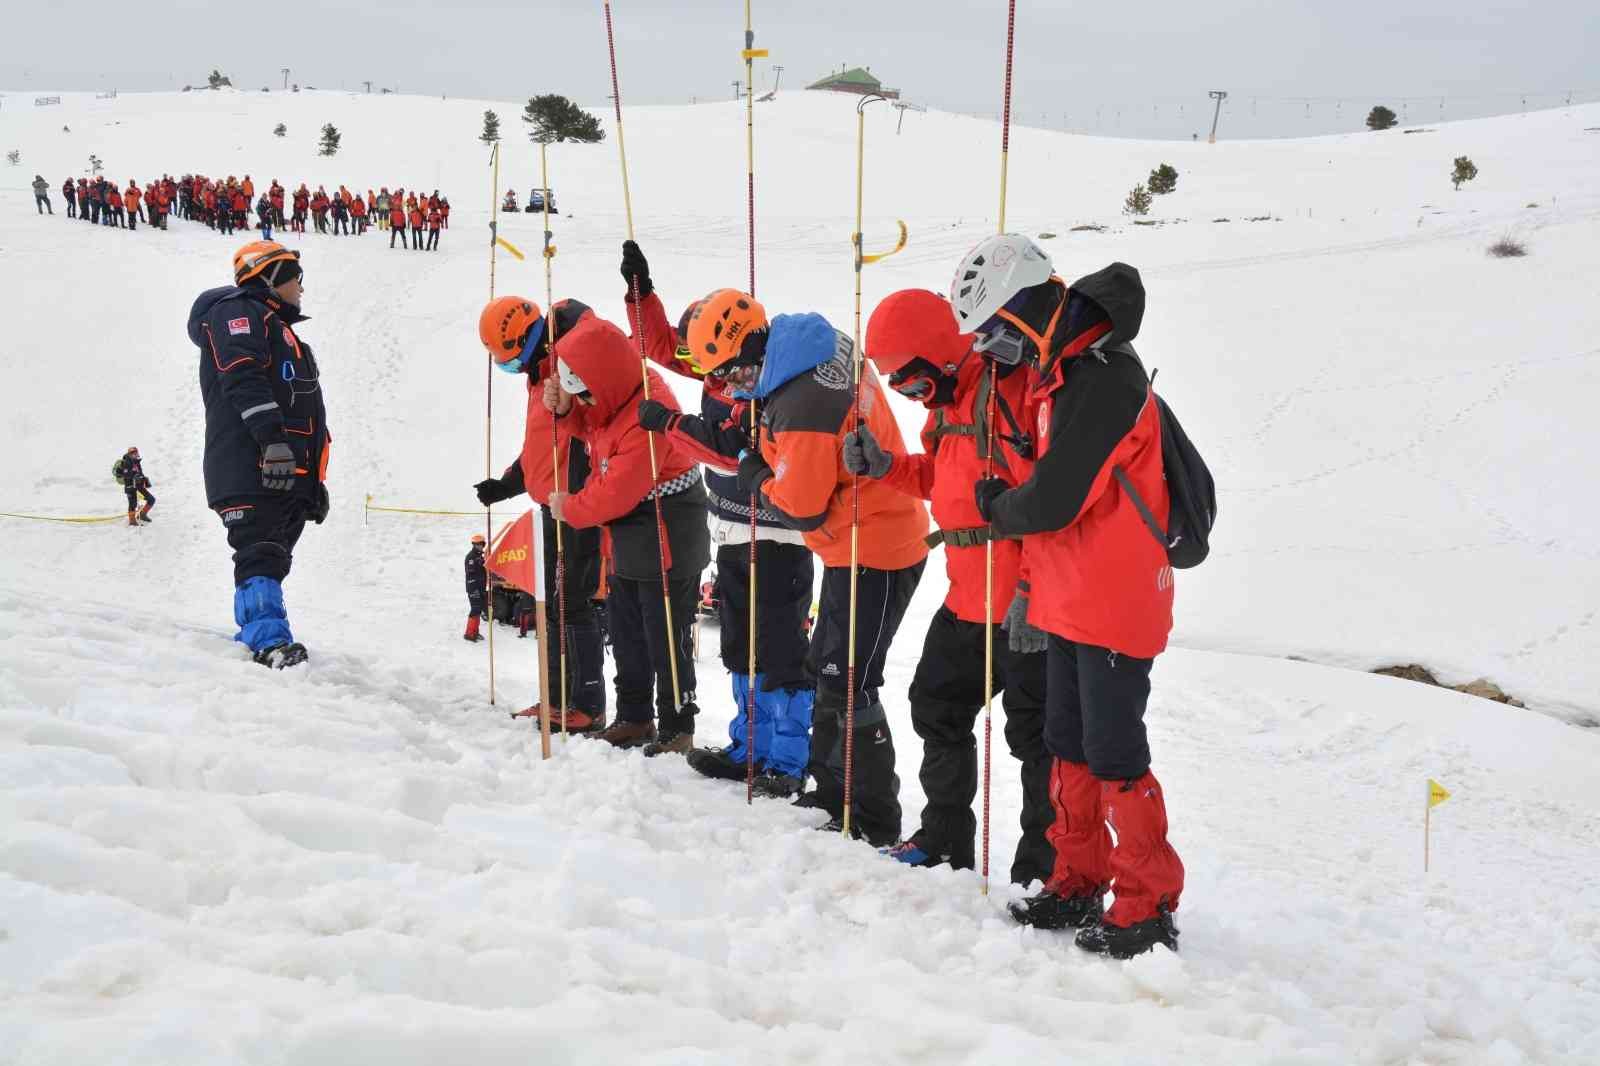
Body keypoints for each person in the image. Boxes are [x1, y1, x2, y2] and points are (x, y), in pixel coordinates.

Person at [956, 234, 1184, 958]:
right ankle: (1077, 879)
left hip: (1114, 600)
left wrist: (997, 507)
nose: (993, 347)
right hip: (1069, 596)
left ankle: (1146, 903)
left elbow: (1058, 499)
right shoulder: (1063, 373)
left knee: (1114, 751)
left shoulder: (1105, 374)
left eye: (994, 329)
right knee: (1066, 743)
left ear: (1021, 310)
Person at [684, 289, 929, 846]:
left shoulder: (801, 407)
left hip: (877, 544)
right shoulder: (805, 347)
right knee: (827, 668)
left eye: (730, 376)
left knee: (848, 680)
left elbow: (801, 504)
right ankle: (832, 789)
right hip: (859, 539)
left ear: (748, 351)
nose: (730, 390)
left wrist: (754, 473)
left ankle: (871, 814)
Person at [844, 288, 1053, 885]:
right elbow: (940, 479)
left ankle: (1045, 869)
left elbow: (1047, 506)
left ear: (939, 352)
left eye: (911, 380)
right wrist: (888, 467)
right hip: (967, 600)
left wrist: (1033, 595)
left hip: (1025, 607)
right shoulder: (945, 409)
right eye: (899, 387)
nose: (911, 396)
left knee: (1036, 738)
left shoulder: (1010, 396)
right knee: (936, 707)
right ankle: (944, 838)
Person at [621, 242, 815, 795]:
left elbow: (730, 450)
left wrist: (669, 423)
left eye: (720, 370)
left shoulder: (767, 382)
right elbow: (658, 346)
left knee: (780, 650)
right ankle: (747, 746)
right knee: (739, 645)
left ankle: (788, 759)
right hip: (731, 525)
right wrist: (641, 295)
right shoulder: (723, 369)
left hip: (778, 528)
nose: (717, 380)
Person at [547, 308, 709, 755]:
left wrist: (571, 507)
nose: (583, 401)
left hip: (666, 529)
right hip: (632, 535)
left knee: (666, 636)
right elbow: (599, 426)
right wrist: (569, 412)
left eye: (582, 394)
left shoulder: (648, 413)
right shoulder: (615, 393)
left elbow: (614, 491)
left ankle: (677, 726)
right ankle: (635, 716)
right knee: (627, 630)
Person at [189, 240, 331, 669]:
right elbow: (244, 378)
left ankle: (264, 631)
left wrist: (312, 483)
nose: (301, 288)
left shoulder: (280, 330)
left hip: (284, 471)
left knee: (273, 555)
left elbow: (305, 413)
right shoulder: (238, 313)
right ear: (269, 277)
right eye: (295, 278)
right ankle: (266, 640)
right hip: (250, 464)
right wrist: (271, 443)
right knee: (259, 551)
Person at [474, 297, 610, 733]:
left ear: (525, 340)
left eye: (506, 355)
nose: (505, 365)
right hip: (549, 506)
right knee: (551, 604)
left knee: (572, 602)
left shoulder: (565, 371)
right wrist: (508, 483)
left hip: (575, 504)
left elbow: (583, 435)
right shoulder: (537, 378)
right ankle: (557, 698)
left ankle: (587, 704)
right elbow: (540, 449)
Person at [115, 446, 156, 525]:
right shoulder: (125, 462)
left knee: (151, 499)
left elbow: (139, 473)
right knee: (133, 504)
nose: (134, 454)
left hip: (139, 486)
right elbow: (126, 474)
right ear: (129, 454)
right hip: (130, 486)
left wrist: (145, 479)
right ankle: (132, 521)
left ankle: (142, 515)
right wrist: (134, 477)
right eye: (132, 453)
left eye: (136, 453)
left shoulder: (137, 462)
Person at [464, 533, 488, 642]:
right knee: (475, 609)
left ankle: (475, 632)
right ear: (473, 545)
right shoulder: (471, 557)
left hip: (481, 587)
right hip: (474, 588)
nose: (480, 546)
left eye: (481, 544)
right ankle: (469, 633)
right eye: (477, 544)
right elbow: (471, 573)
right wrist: (475, 590)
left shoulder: (480, 557)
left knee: (478, 610)